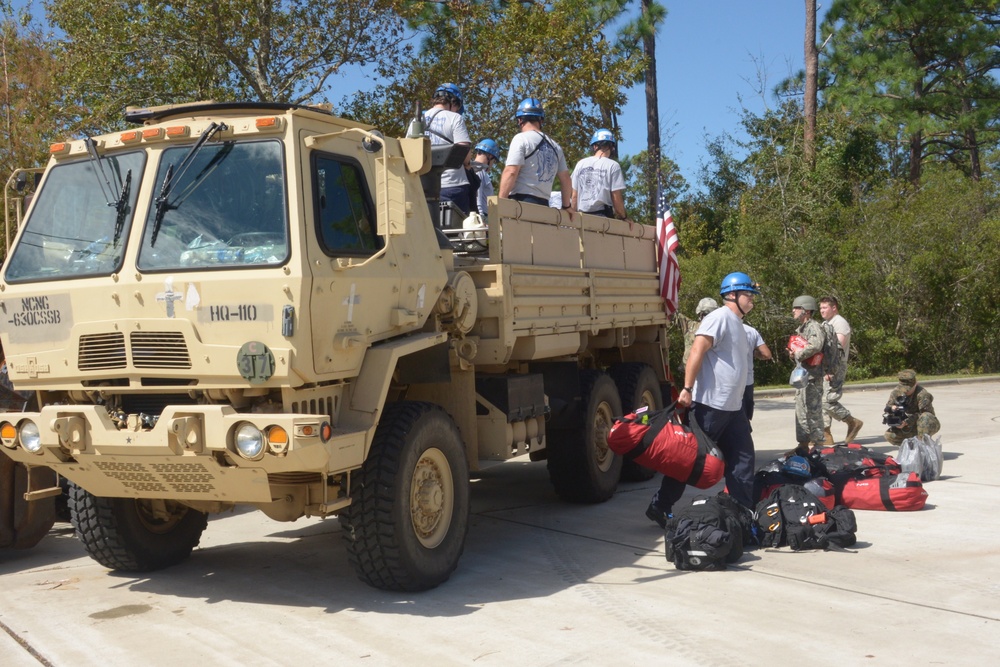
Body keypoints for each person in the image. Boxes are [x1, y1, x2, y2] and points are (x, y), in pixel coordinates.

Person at [646, 272, 758, 527]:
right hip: (709, 407)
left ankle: (741, 514)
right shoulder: (718, 318)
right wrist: (687, 388)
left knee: (743, 459)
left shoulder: (739, 325)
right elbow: (697, 349)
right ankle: (660, 506)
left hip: (733, 408)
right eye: (748, 295)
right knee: (690, 462)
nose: (752, 300)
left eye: (752, 295)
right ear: (732, 295)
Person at [498, 97, 574, 214]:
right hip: (544, 206)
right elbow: (566, 180)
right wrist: (566, 206)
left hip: (521, 205)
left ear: (519, 120)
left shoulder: (521, 139)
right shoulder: (556, 147)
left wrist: (501, 202)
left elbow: (511, 172)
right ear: (541, 120)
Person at [819, 296, 863, 444]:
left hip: (835, 365)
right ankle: (826, 436)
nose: (822, 311)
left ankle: (852, 422)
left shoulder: (840, 323)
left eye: (825, 308)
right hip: (825, 365)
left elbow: (837, 347)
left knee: (827, 400)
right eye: (820, 308)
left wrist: (830, 369)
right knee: (822, 400)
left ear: (834, 308)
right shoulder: (826, 323)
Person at [424, 83, 472, 214]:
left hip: (424, 185)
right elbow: (465, 154)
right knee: (457, 230)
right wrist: (468, 164)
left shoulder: (416, 120)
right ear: (453, 102)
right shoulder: (455, 118)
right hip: (452, 185)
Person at [787, 295, 826, 455]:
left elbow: (816, 345)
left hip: (812, 377)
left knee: (813, 411)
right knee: (801, 411)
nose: (793, 311)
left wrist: (798, 353)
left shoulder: (813, 327)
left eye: (796, 308)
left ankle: (818, 446)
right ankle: (803, 445)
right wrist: (793, 353)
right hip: (804, 377)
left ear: (806, 310)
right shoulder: (802, 329)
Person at [570, 128, 627, 219]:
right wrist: (624, 217)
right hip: (603, 218)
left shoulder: (580, 164)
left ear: (595, 146)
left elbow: (574, 196)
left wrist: (572, 217)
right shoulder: (613, 165)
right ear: (612, 147)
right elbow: (616, 197)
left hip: (581, 218)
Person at [883, 369, 941, 446]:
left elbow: (926, 414)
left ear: (915, 384)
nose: (905, 391)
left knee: (925, 417)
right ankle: (910, 447)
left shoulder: (922, 394)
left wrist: (908, 421)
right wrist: (894, 416)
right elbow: (888, 408)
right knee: (889, 435)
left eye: (908, 389)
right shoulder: (896, 392)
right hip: (906, 427)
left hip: (924, 424)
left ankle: (923, 445)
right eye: (903, 389)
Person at [743, 321, 772, 424]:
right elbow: (767, 354)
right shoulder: (751, 331)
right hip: (747, 381)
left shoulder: (724, 328)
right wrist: (753, 353)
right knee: (745, 419)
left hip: (730, 382)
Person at [471, 139, 501, 218]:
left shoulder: (470, 169)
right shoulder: (479, 171)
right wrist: (481, 218)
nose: (492, 164)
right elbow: (478, 198)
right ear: (490, 156)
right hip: (483, 215)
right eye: (493, 161)